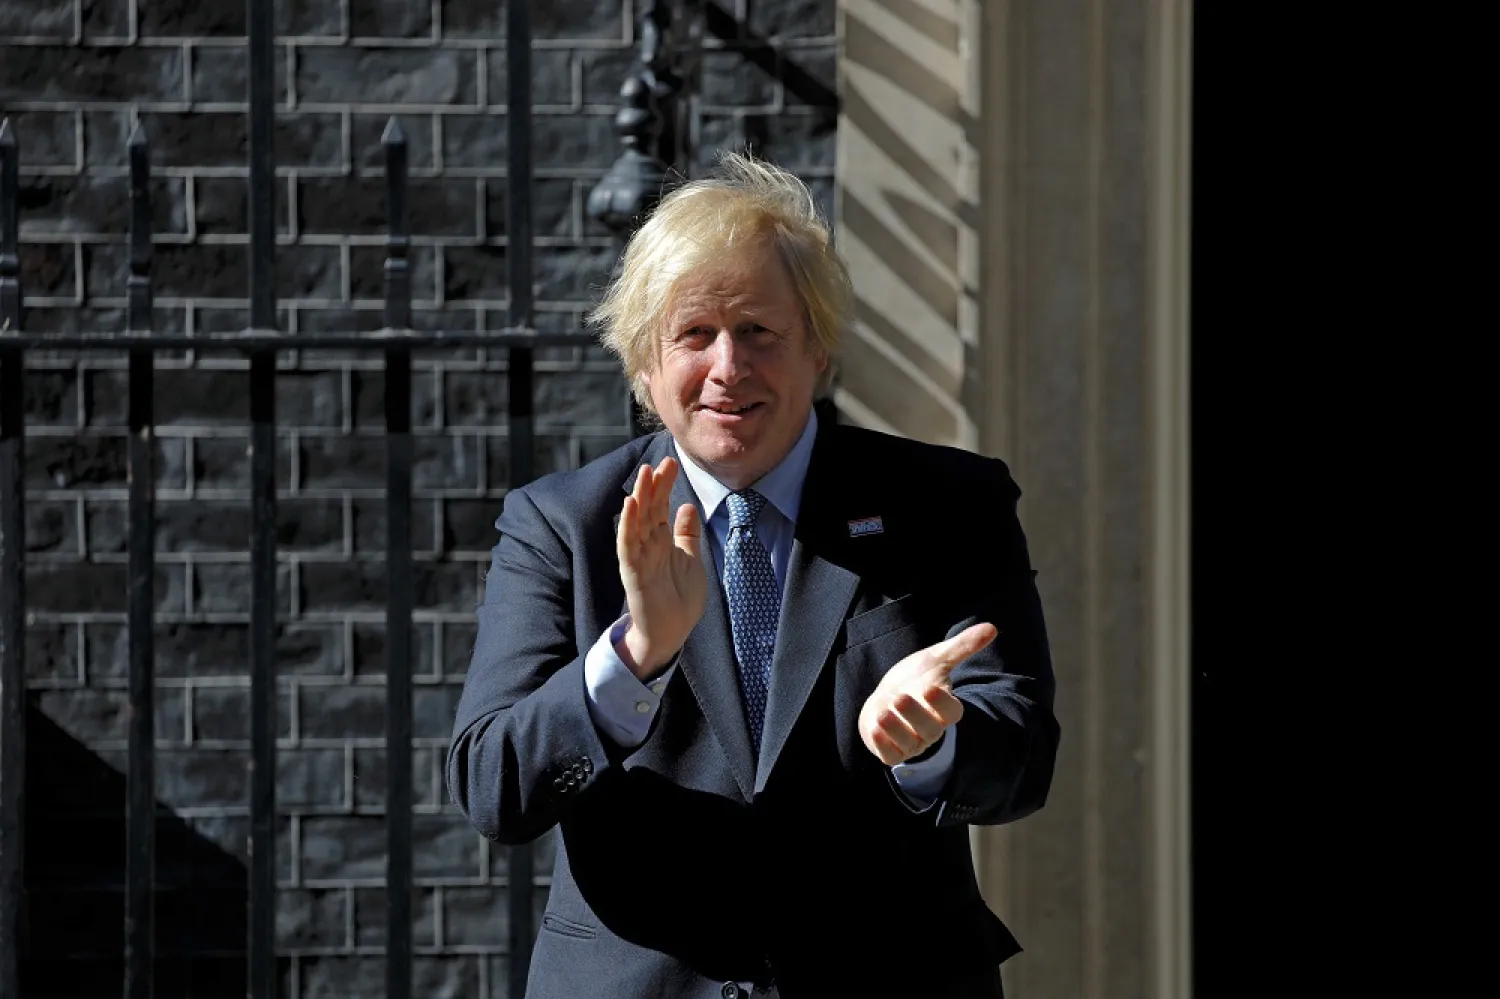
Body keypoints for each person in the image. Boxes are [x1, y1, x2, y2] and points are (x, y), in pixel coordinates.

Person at [446, 153, 1059, 999]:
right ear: (645, 368)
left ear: (817, 349)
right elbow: (493, 786)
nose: (728, 367)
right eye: (694, 335)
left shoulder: (947, 504)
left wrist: (937, 738)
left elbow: (1023, 757)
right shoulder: (564, 525)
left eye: (760, 333)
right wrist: (632, 657)